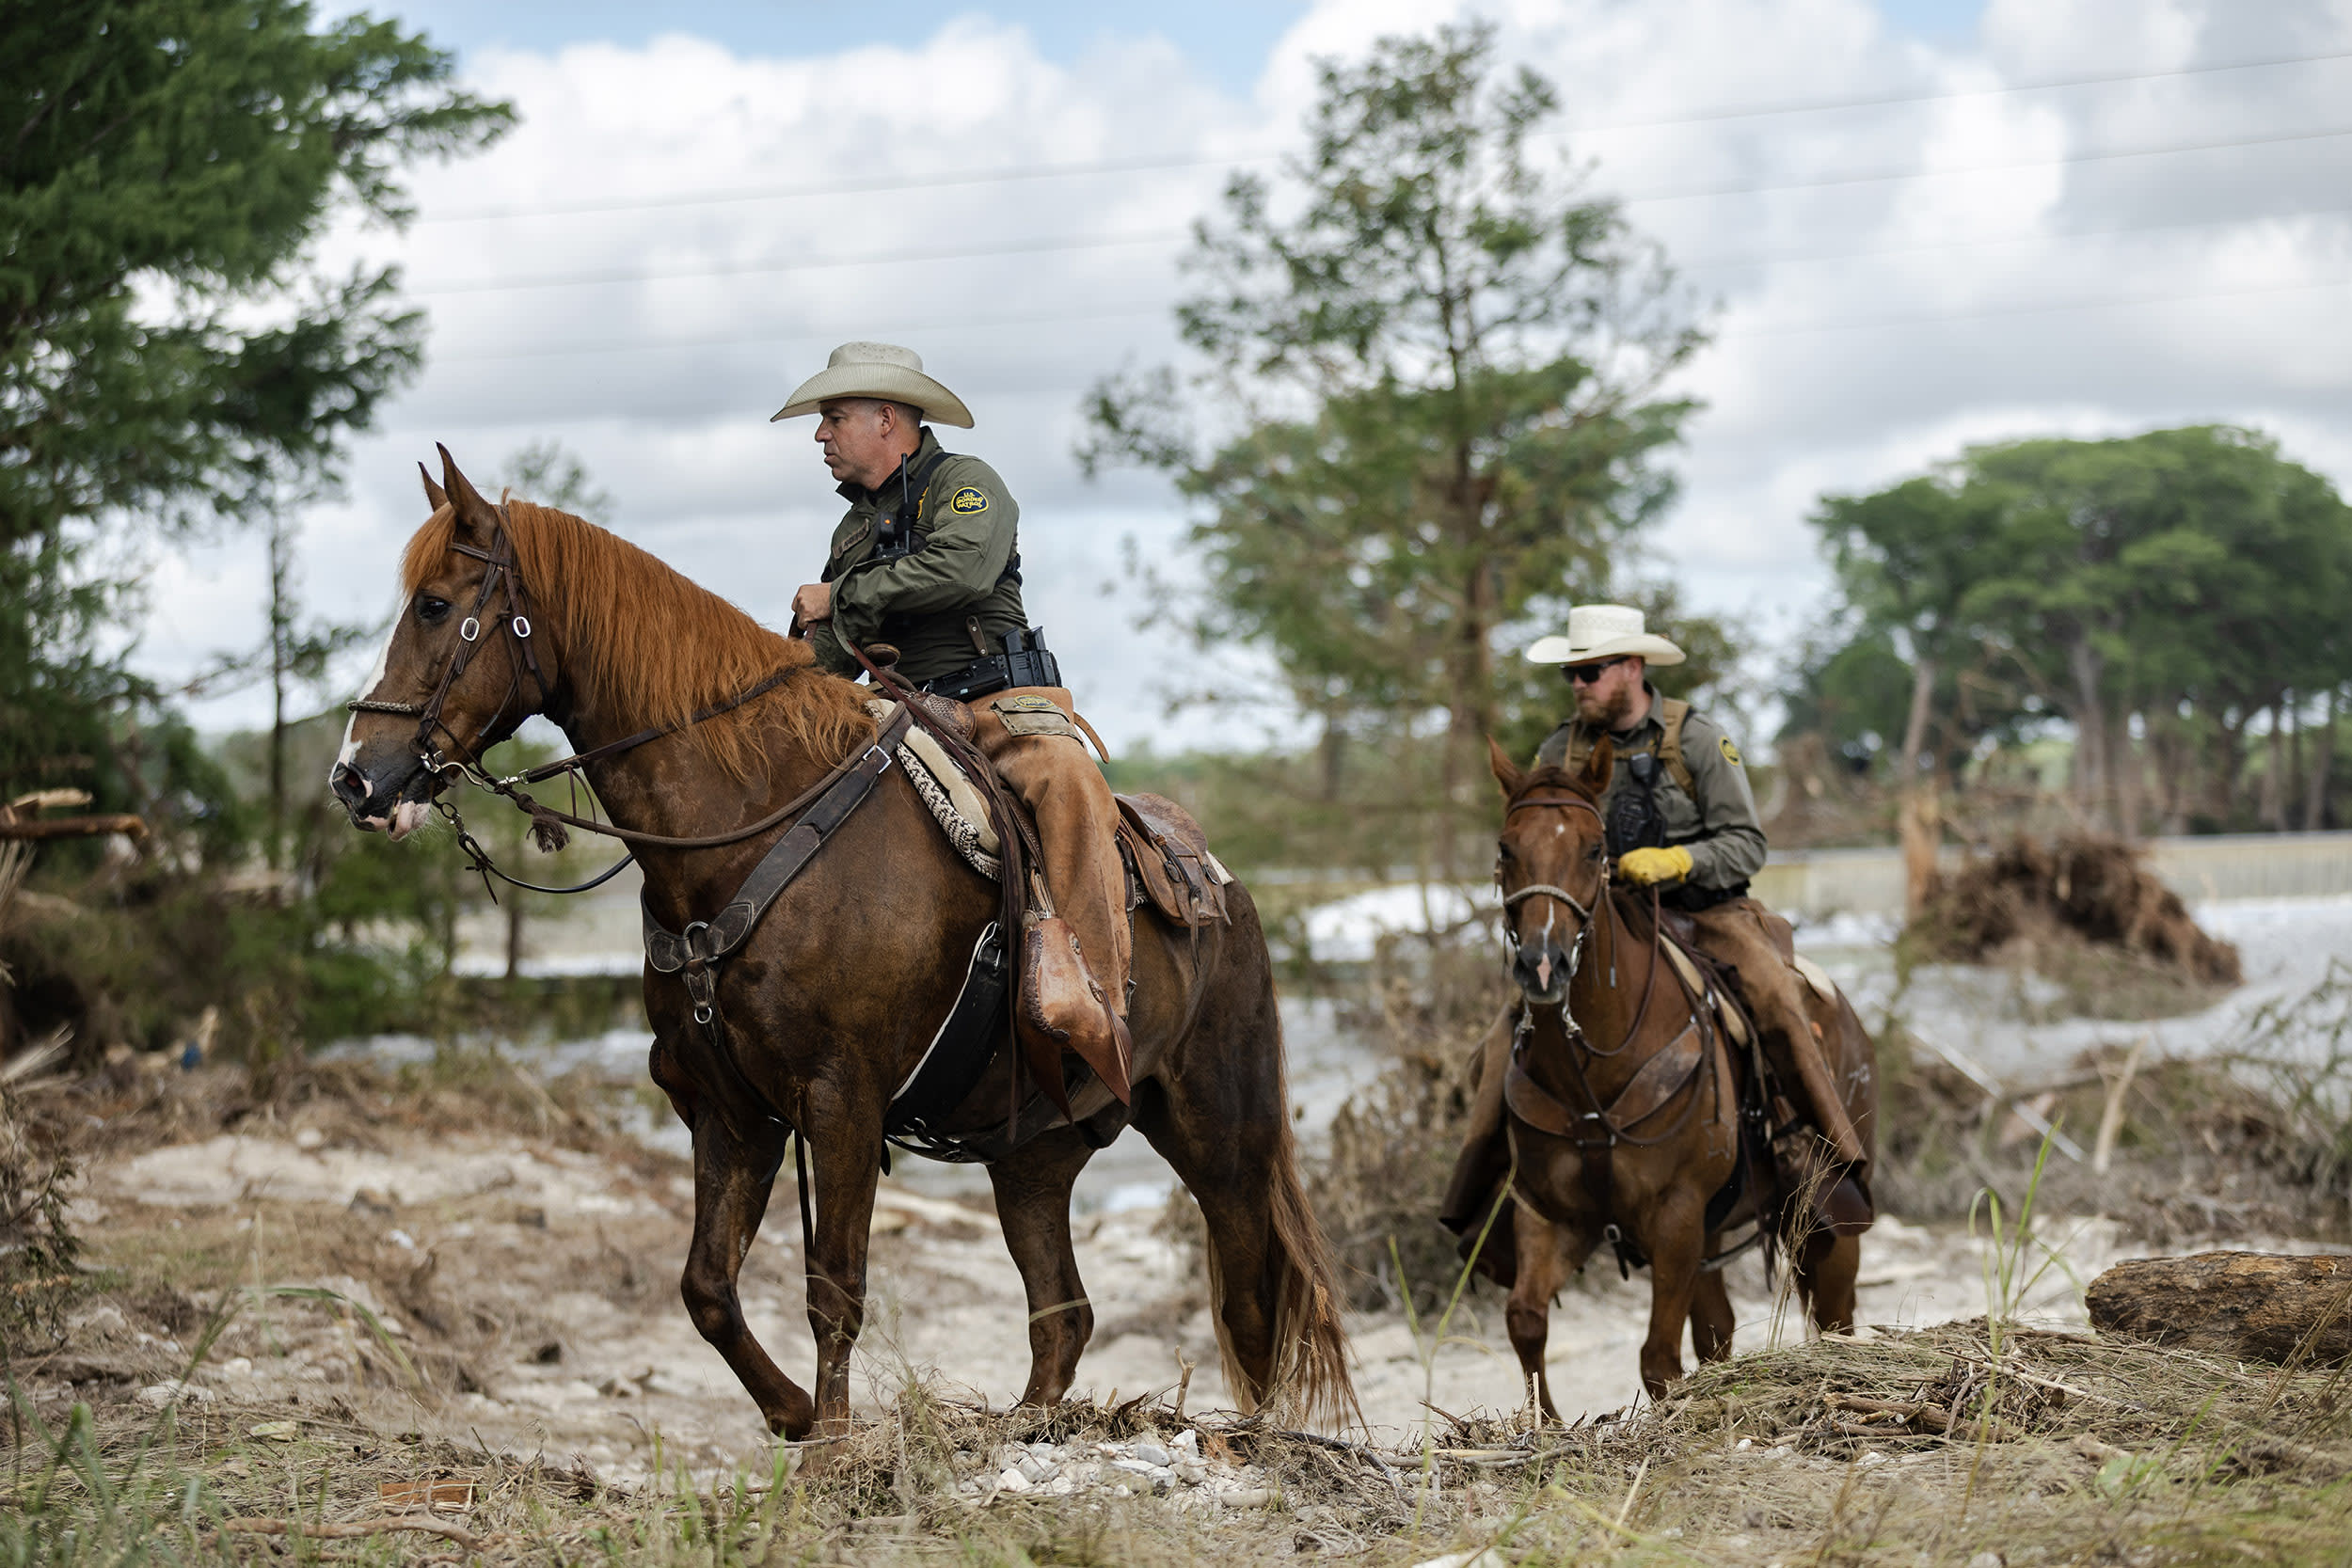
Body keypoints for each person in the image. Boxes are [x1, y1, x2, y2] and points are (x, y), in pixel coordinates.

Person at [1439, 603, 1868, 1262]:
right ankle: (1489, 1195)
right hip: (1603, 921)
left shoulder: (1700, 741)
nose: (1578, 684)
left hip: (1707, 914)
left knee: (1775, 996)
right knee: (1507, 1033)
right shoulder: (1558, 751)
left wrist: (1680, 861)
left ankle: (1820, 1156)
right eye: (1572, 674)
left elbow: (1747, 843)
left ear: (1632, 668)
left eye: (1590, 671)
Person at [774, 341, 1130, 1069]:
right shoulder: (853, 529)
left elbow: (962, 569)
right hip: (897, 714)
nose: (819, 435)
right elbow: (836, 653)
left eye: (833, 417)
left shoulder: (966, 484)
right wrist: (774, 688)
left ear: (885, 418)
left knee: (1067, 779)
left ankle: (1096, 997)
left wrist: (840, 594)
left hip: (1000, 707)